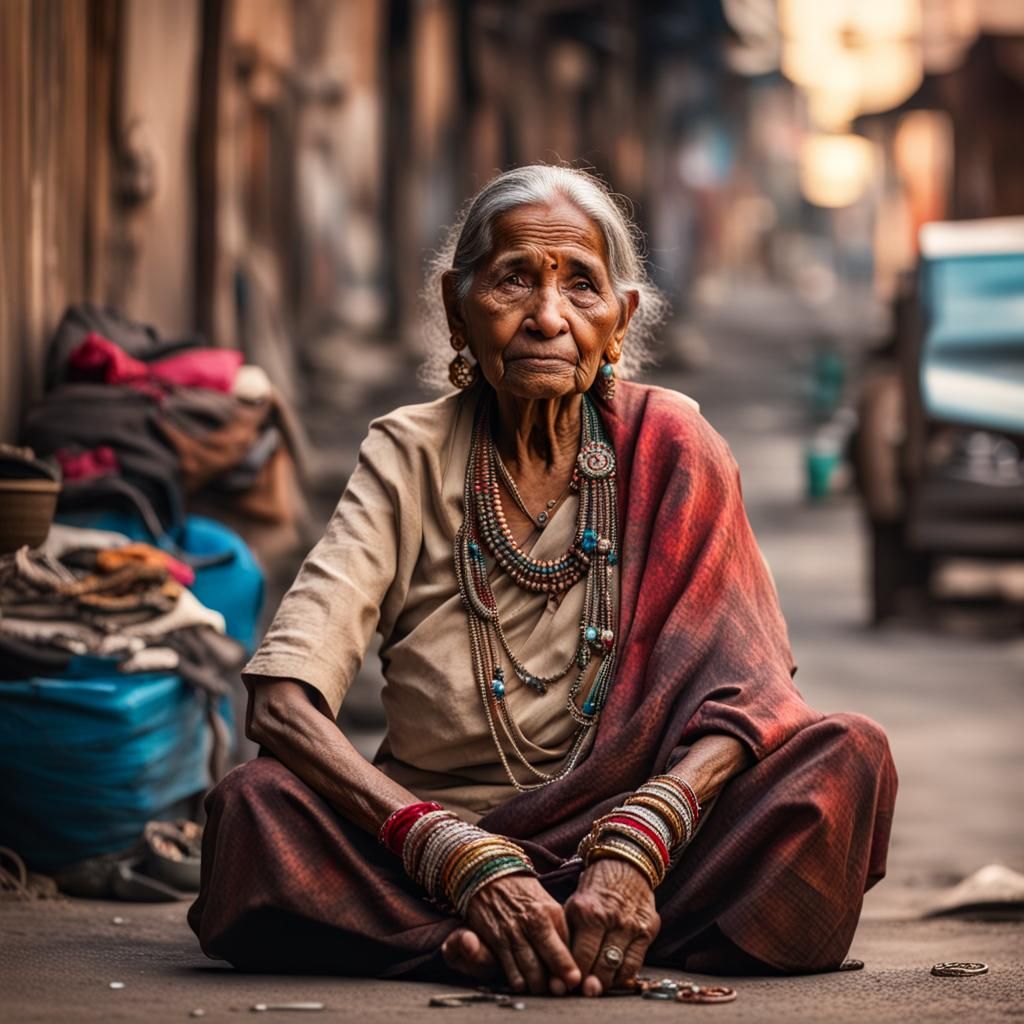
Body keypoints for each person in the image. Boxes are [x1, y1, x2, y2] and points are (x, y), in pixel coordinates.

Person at [188, 165, 896, 996]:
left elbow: (756, 699)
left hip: (645, 852)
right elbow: (283, 707)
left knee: (847, 758)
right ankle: (546, 938)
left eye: (582, 287)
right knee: (253, 808)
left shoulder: (673, 445)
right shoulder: (408, 452)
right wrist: (453, 851)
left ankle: (508, 939)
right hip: (429, 851)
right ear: (458, 309)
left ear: (620, 320)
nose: (548, 318)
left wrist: (640, 839)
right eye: (513, 280)